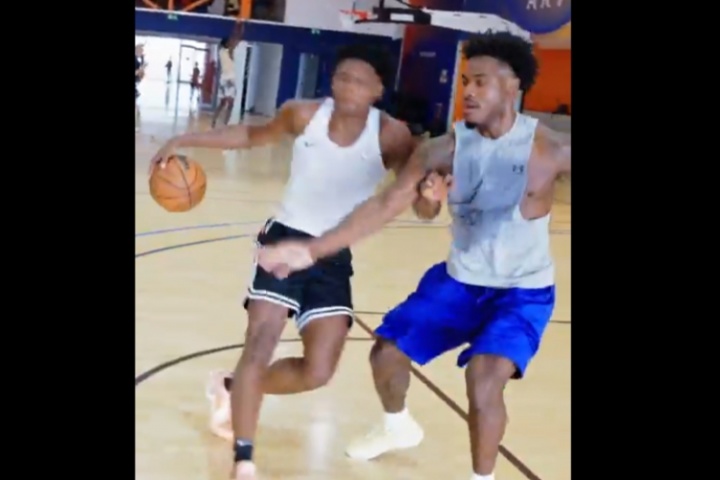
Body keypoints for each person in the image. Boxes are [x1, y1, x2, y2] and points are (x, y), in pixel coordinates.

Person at [258, 32, 571, 480]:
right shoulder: (442, 149)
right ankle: (396, 425)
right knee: (385, 354)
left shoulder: (551, 150)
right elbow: (388, 205)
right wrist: (313, 249)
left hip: (521, 293)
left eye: (480, 82)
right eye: (465, 81)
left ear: (512, 86)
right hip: (459, 281)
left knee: (484, 381)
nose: (468, 91)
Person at [148, 44, 415, 480]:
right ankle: (244, 458)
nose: (347, 87)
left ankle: (233, 387)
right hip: (283, 240)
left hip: (331, 254)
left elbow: (412, 194)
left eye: (359, 81)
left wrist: (431, 197)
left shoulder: (392, 136)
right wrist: (184, 139)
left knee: (318, 371)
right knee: (259, 344)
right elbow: (251, 136)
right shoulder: (304, 114)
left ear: (378, 90)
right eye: (342, 77)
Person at [212, 37, 237, 128]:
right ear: (226, 44)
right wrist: (240, 31)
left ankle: (214, 120)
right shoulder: (228, 51)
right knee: (230, 104)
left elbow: (231, 44)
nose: (231, 43)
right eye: (229, 42)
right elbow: (234, 43)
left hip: (224, 79)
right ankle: (225, 124)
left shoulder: (221, 51)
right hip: (229, 80)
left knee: (223, 103)